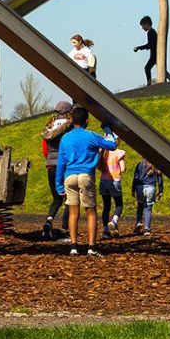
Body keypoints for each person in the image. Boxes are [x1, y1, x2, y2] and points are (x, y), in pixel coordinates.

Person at [55, 109, 119, 256]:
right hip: (85, 175)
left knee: (73, 212)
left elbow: (61, 164)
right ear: (87, 121)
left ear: (72, 120)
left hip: (69, 177)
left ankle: (73, 246)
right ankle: (91, 247)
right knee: (90, 212)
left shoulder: (65, 138)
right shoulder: (91, 136)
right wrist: (107, 129)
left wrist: (59, 186)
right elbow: (113, 145)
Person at [39, 102, 77, 238]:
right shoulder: (70, 127)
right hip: (65, 165)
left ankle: (48, 222)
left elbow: (45, 150)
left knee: (56, 198)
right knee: (69, 198)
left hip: (50, 165)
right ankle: (66, 230)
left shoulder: (48, 128)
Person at [98, 144, 127, 236]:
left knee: (106, 207)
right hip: (114, 180)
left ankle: (106, 231)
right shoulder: (119, 152)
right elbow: (123, 169)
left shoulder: (103, 153)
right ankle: (114, 221)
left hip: (103, 181)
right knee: (119, 204)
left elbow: (99, 168)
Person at [131, 158, 164, 235]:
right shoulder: (156, 166)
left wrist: (133, 189)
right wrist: (160, 190)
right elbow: (160, 179)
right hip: (151, 188)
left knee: (140, 206)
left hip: (140, 187)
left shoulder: (140, 164)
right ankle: (147, 229)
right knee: (148, 209)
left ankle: (139, 222)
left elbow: (135, 177)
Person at [134, 17, 162, 84]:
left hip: (154, 55)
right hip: (155, 53)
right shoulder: (152, 31)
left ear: (146, 24)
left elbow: (150, 45)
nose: (142, 28)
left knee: (147, 68)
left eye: (142, 26)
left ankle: (149, 83)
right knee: (161, 69)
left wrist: (139, 48)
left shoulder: (151, 32)